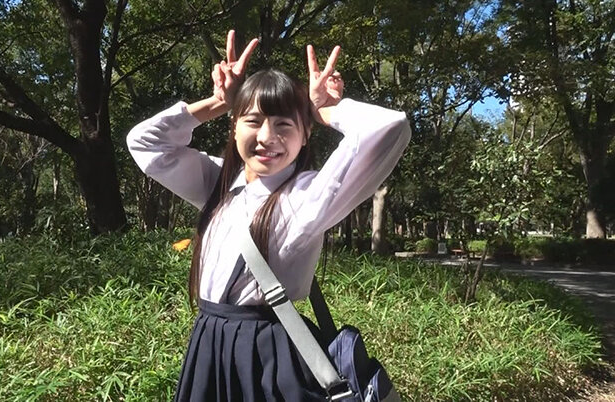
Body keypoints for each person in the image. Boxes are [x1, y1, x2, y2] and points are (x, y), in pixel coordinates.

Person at [127, 31, 411, 401]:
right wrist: (218, 102)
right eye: (253, 120)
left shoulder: (307, 196)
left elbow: (390, 126)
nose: (266, 136)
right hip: (209, 343)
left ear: (304, 135)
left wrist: (322, 110)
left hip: (267, 357)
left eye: (284, 124)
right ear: (234, 127)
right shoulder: (218, 183)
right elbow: (145, 143)